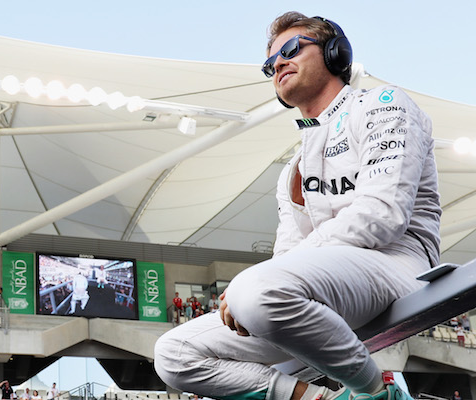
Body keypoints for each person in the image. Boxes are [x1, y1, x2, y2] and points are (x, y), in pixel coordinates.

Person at [155, 12, 440, 400]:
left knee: (254, 290)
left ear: (335, 53)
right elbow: (288, 252)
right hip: (330, 289)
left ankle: (375, 392)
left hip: (397, 263)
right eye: (270, 64)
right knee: (173, 353)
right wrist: (252, 290)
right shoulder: (293, 168)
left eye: (290, 49)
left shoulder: (383, 103)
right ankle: (316, 398)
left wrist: (251, 286)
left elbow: (382, 215)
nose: (279, 65)